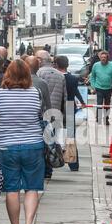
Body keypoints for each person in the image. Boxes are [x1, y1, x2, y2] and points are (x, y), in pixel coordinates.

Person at [0, 59, 45, 224]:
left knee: (11, 188)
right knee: (32, 187)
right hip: (33, 144)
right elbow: (40, 114)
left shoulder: (0, 93)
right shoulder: (35, 92)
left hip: (7, 146)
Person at [35, 50, 67, 179]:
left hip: (42, 113)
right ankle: (49, 169)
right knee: (51, 143)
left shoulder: (39, 74)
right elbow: (65, 97)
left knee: (41, 143)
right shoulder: (61, 75)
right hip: (56, 113)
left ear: (40, 61)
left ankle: (43, 169)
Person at [54, 55, 87, 171]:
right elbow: (76, 91)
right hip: (70, 107)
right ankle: (73, 164)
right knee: (70, 136)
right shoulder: (73, 79)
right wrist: (82, 101)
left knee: (53, 135)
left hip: (57, 107)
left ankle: (53, 160)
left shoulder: (55, 77)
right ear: (67, 65)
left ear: (56, 65)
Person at [89, 51, 112, 125]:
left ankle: (106, 119)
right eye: (102, 57)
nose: (103, 59)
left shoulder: (111, 65)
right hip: (99, 87)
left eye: (105, 57)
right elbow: (92, 77)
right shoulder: (96, 65)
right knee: (99, 103)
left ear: (107, 58)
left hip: (108, 88)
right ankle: (98, 119)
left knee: (107, 105)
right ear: (100, 58)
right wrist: (93, 86)